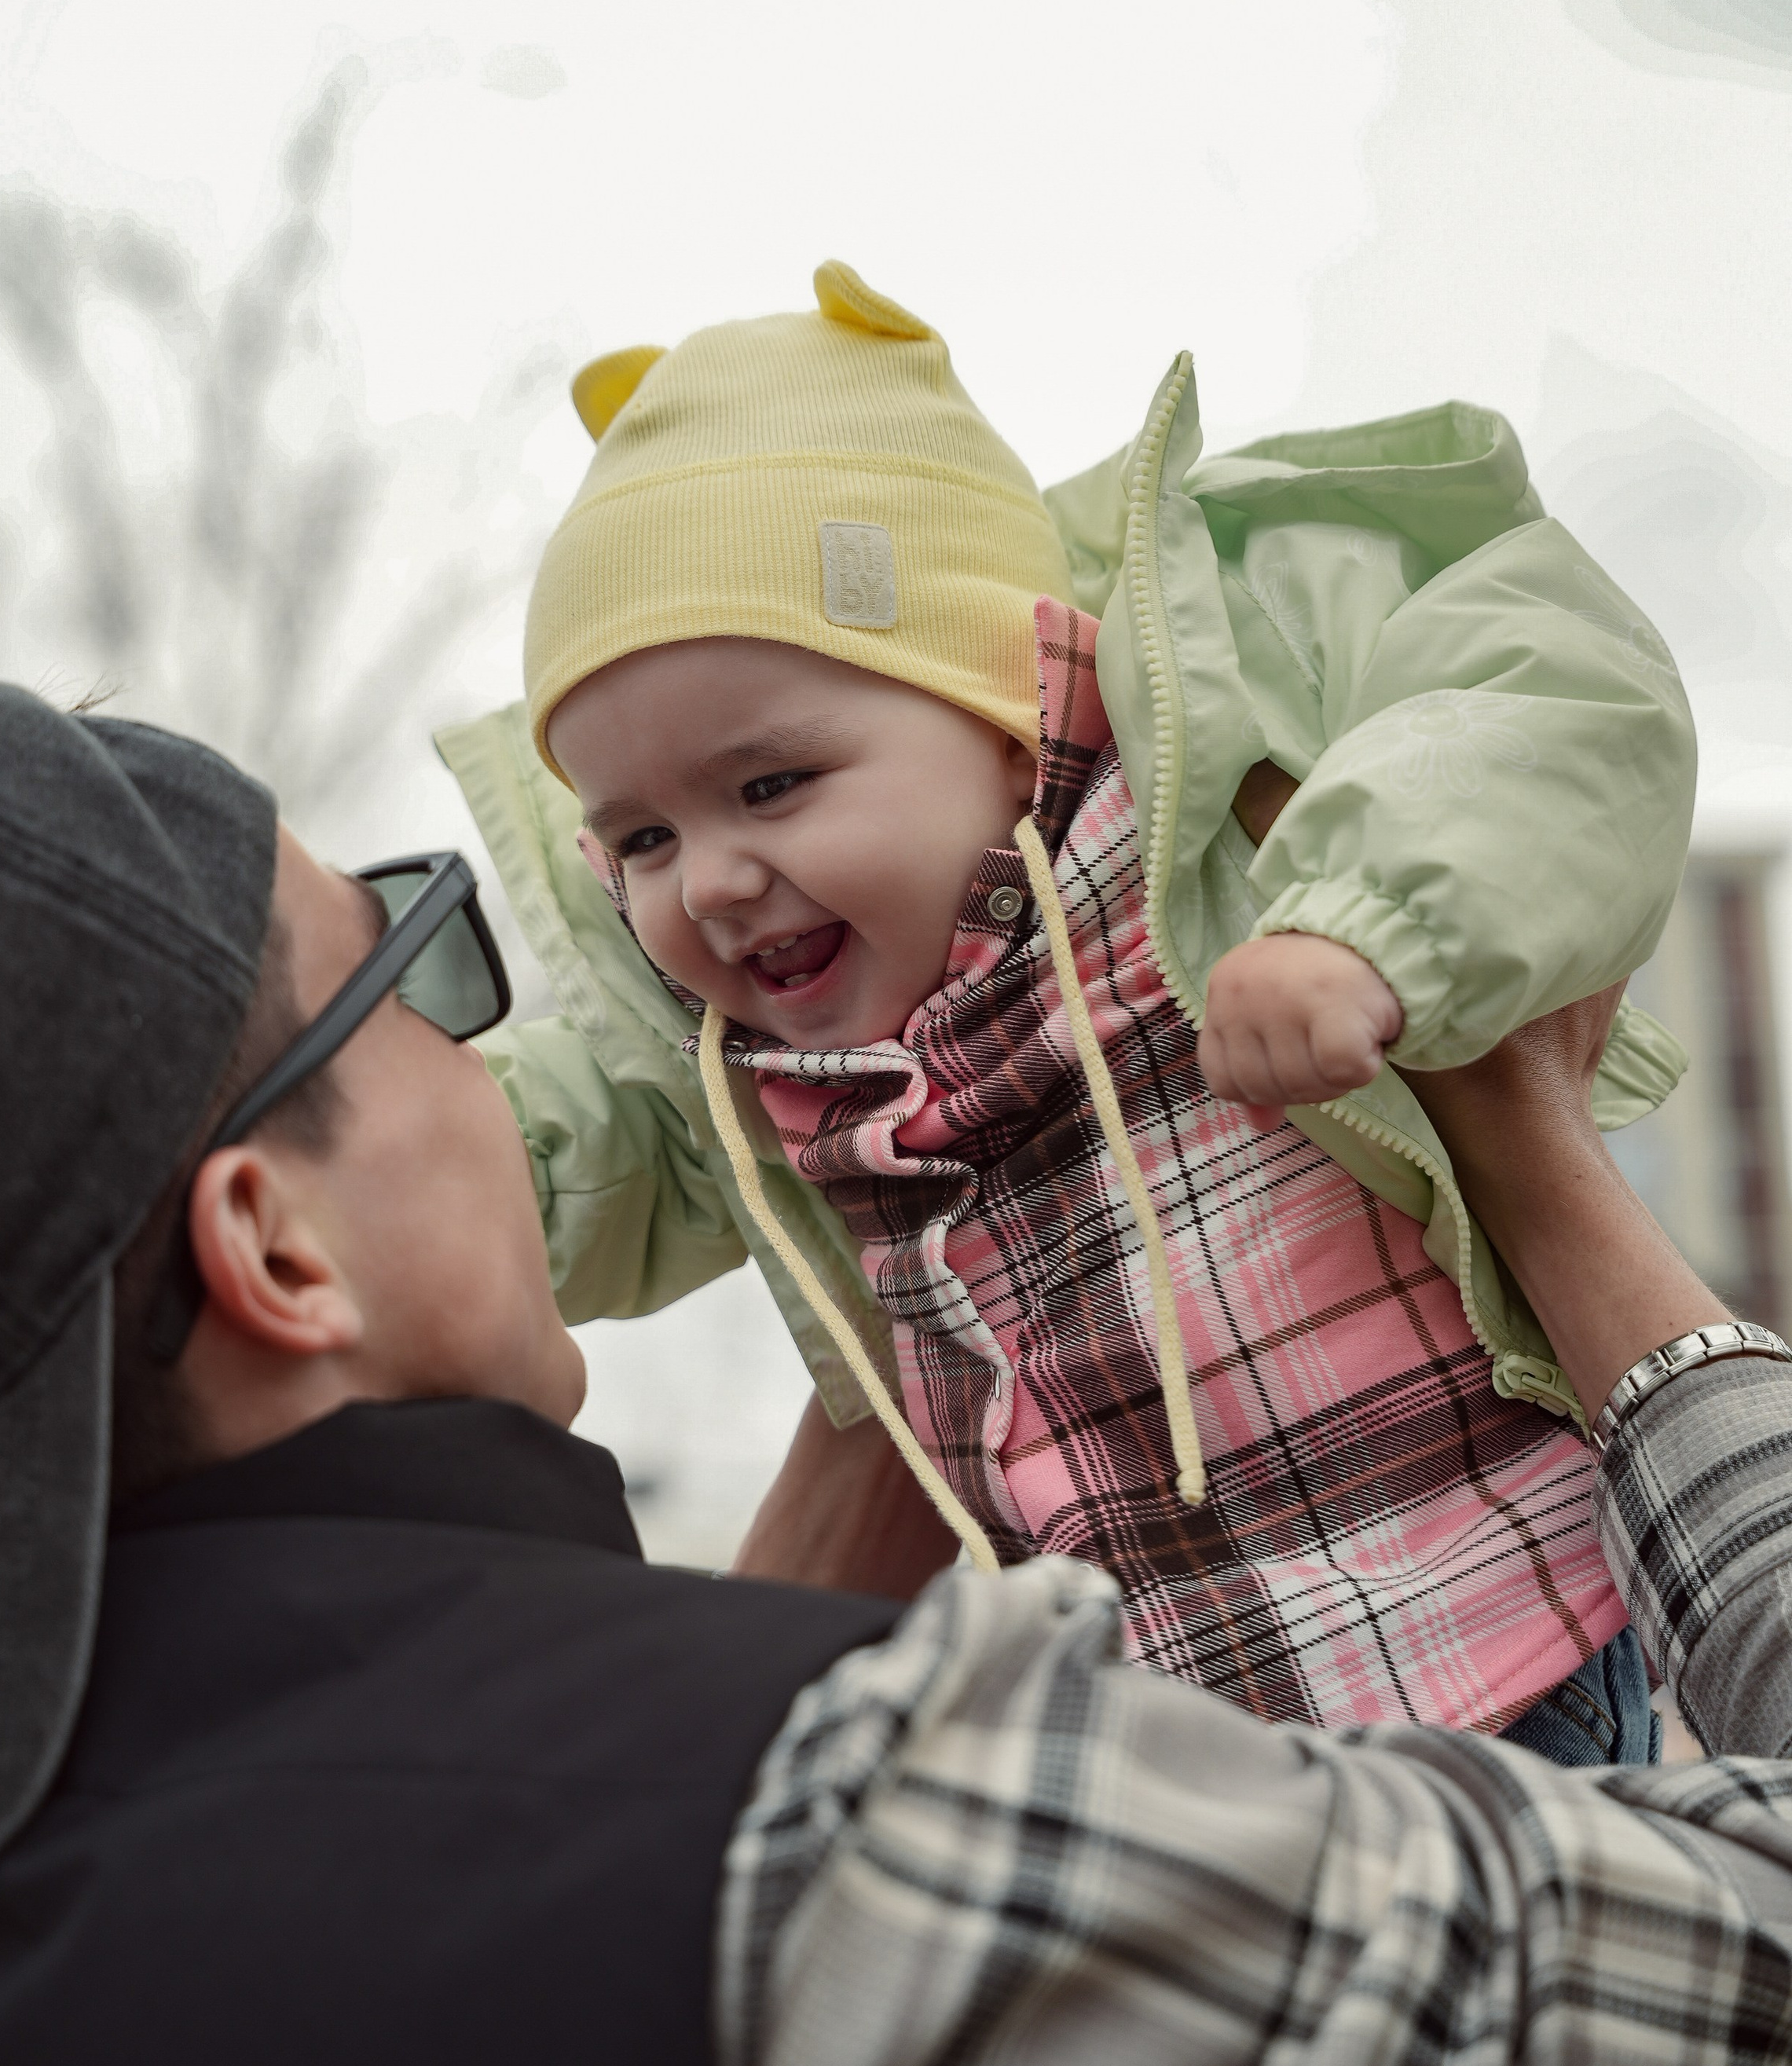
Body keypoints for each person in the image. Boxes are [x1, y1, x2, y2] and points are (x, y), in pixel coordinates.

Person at [0, 664, 1789, 2066]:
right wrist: (1549, 1190)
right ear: (274, 1248)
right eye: (414, 977)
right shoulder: (892, 1872)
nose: (493, 1066)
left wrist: (893, 1352)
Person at [441, 264, 1693, 1770]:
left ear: (1007, 706)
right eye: (637, 839)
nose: (707, 880)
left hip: (1477, 1650)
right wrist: (385, 1159)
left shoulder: (1189, 848)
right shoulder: (774, 1073)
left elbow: (1532, 701)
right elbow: (595, 1140)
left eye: (770, 785)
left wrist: (1362, 930)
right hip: (1155, 1747)